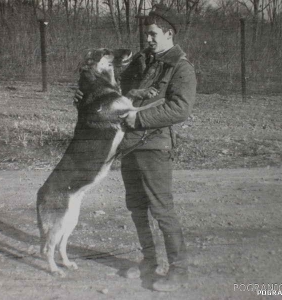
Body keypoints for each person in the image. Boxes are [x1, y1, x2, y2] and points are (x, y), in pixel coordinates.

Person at [75, 4, 197, 292]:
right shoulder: (143, 61)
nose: (148, 40)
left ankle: (179, 270)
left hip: (154, 146)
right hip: (128, 145)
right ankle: (149, 261)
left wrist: (139, 118)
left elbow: (180, 108)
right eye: (147, 35)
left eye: (154, 35)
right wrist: (86, 96)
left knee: (161, 209)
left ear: (169, 33)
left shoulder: (181, 67)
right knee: (137, 208)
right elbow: (118, 95)